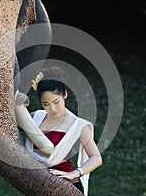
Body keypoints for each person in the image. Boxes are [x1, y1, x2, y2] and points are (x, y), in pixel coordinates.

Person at [16, 67, 102, 195]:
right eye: (46, 104)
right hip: (36, 182)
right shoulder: (36, 117)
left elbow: (96, 158)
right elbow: (12, 124)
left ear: (65, 94)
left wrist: (75, 173)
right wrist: (19, 105)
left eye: (56, 102)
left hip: (65, 184)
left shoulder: (78, 124)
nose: (53, 108)